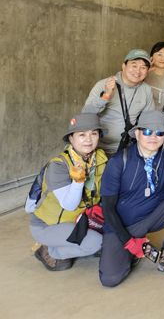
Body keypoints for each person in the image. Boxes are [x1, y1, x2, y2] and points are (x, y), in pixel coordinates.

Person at [99, 111, 164, 286]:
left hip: (153, 217)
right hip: (122, 225)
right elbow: (107, 208)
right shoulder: (118, 161)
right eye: (147, 132)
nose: (154, 137)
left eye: (160, 133)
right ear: (137, 134)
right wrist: (128, 241)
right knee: (110, 279)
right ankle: (129, 251)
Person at [29, 113, 108, 271]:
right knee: (97, 243)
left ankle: (72, 244)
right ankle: (49, 250)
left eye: (94, 133)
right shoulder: (58, 166)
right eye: (81, 135)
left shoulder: (100, 159)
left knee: (112, 236)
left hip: (81, 219)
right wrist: (78, 181)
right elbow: (70, 204)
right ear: (71, 139)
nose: (88, 139)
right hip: (49, 225)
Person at [83, 49, 155, 155]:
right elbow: (85, 114)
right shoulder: (104, 84)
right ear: (124, 66)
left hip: (129, 148)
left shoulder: (146, 90)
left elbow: (149, 120)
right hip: (99, 149)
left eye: (143, 67)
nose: (138, 71)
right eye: (134, 66)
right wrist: (105, 96)